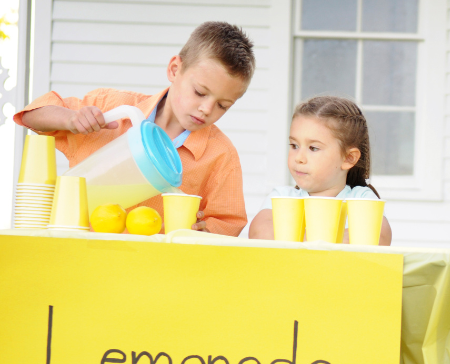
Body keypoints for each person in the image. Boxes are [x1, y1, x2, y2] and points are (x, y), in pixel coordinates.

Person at [13, 21, 255, 236]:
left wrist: (207, 231)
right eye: (200, 92)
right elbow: (32, 116)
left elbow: (228, 222)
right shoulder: (109, 106)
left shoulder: (221, 155)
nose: (206, 109)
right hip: (79, 257)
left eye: (223, 105)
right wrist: (70, 119)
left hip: (154, 273)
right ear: (174, 69)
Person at [249, 95, 392, 245]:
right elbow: (258, 233)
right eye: (294, 146)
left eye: (313, 148)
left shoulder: (361, 199)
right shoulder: (282, 198)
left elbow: (379, 238)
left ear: (348, 158)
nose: (299, 158)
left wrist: (297, 237)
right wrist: (330, 241)